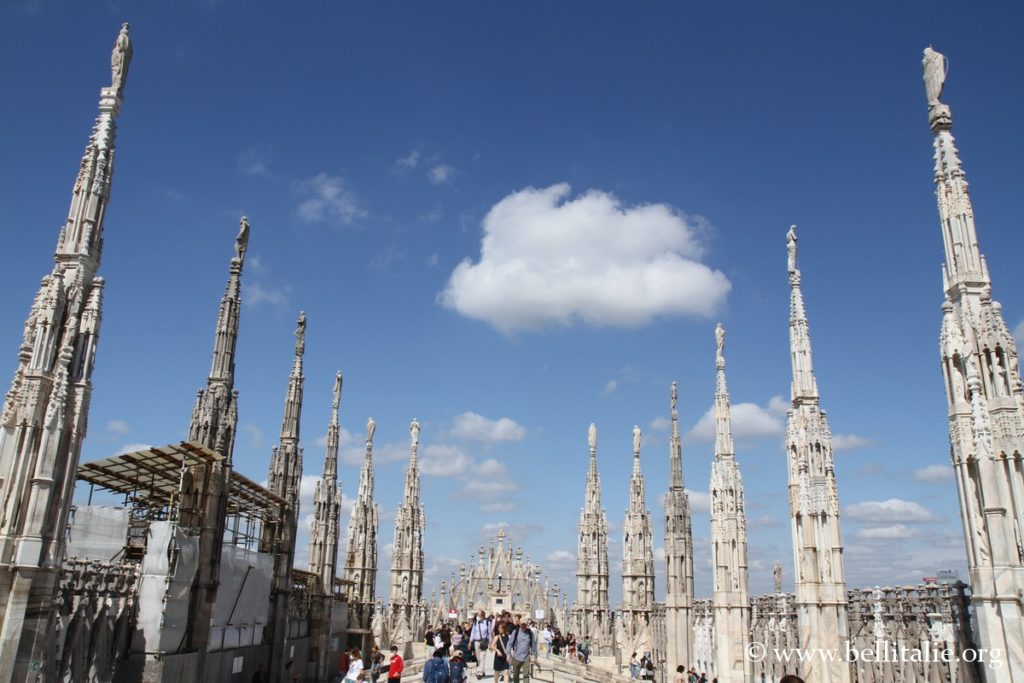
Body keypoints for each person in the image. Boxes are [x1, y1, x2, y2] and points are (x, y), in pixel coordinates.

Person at [469, 610, 493, 679]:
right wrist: (470, 642)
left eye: (478, 615)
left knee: (482, 657)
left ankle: (479, 672)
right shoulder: (475, 622)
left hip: (484, 642)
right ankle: (483, 671)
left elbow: (489, 633)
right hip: (476, 642)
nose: (477, 616)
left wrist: (490, 642)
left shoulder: (487, 622)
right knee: (478, 658)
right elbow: (473, 632)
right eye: (477, 615)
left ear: (482, 615)